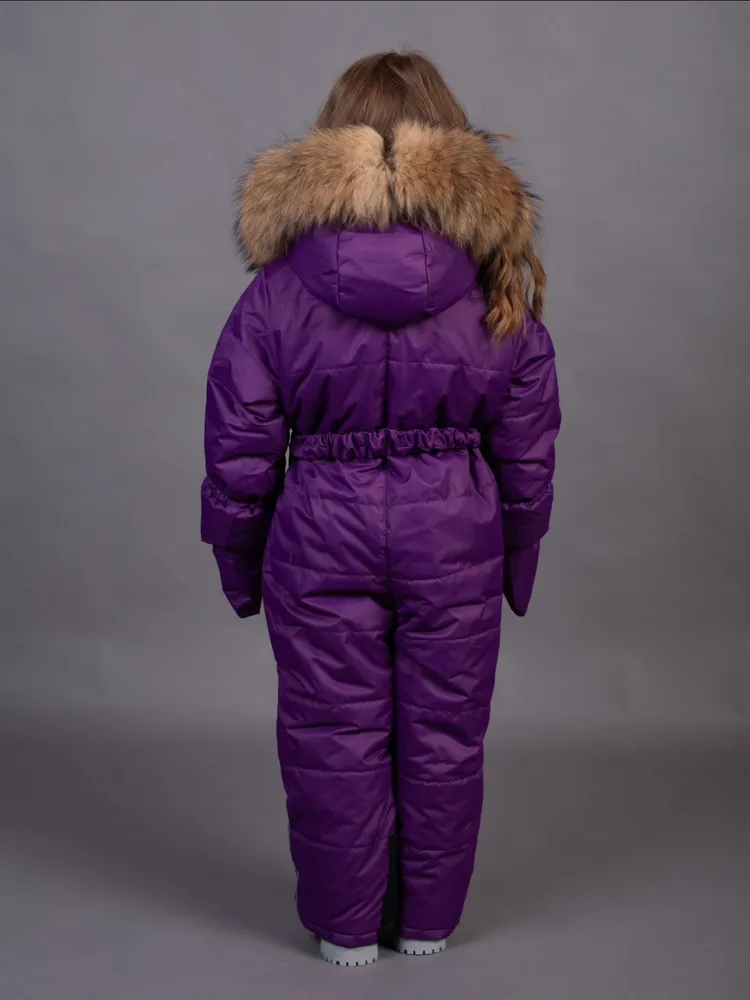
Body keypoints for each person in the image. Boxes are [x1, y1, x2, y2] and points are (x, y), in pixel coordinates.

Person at [201, 51, 561, 967]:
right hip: (456, 534)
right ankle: (429, 921)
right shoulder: (495, 279)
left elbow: (239, 446)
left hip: (321, 532)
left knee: (332, 733)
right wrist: (518, 554)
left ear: (335, 140)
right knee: (445, 733)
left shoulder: (276, 292)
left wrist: (239, 562)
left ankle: (346, 929)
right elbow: (527, 448)